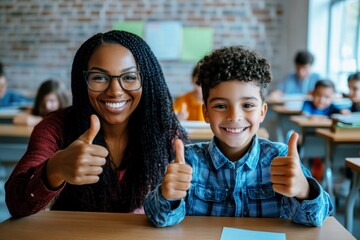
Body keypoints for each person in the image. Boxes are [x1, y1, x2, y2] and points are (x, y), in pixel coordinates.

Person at [144, 46, 333, 227]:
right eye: (220, 106)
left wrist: (304, 190)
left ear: (262, 112)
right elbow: (159, 218)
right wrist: (166, 196)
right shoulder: (189, 162)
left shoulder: (281, 158)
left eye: (248, 105)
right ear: (206, 113)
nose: (234, 117)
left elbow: (320, 217)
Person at [5, 30, 187, 217]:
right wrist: (55, 168)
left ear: (147, 81)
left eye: (129, 77)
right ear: (82, 82)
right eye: (99, 78)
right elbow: (15, 204)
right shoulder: (55, 128)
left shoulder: (164, 132)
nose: (115, 91)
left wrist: (173, 197)